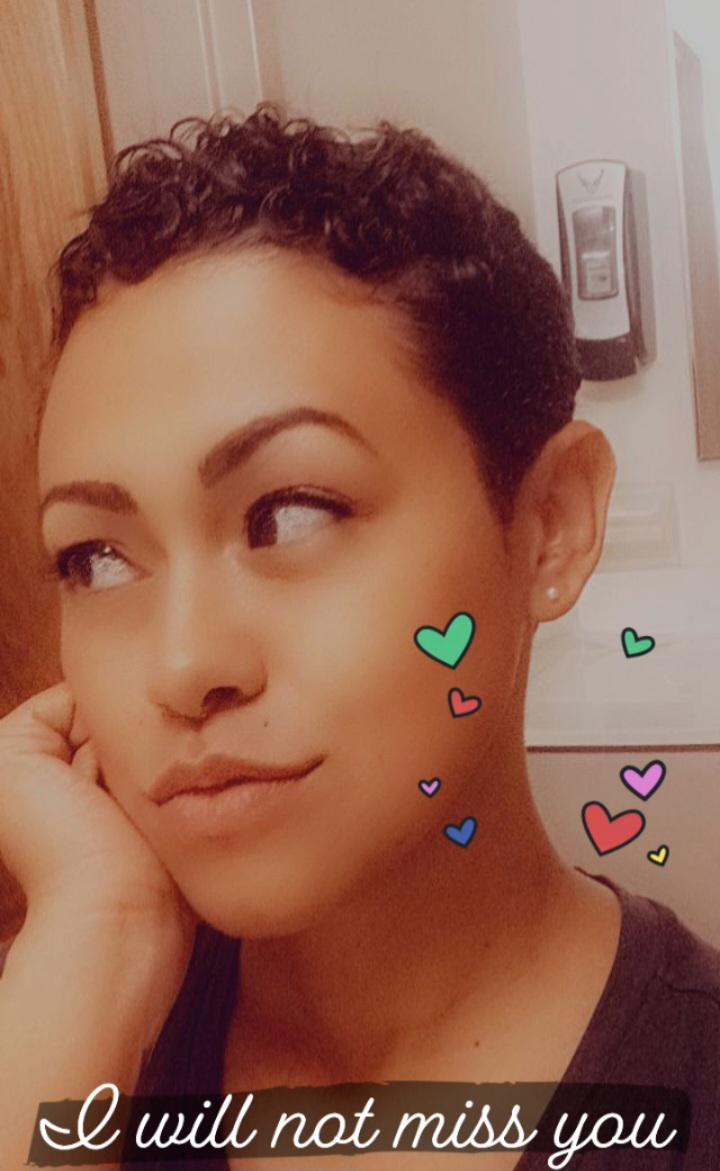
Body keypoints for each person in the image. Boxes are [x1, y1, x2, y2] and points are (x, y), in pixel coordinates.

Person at [0, 103, 717, 1171]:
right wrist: (90, 955)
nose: (185, 665)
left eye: (289, 513)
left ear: (551, 524)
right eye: (97, 558)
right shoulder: (51, 1024)